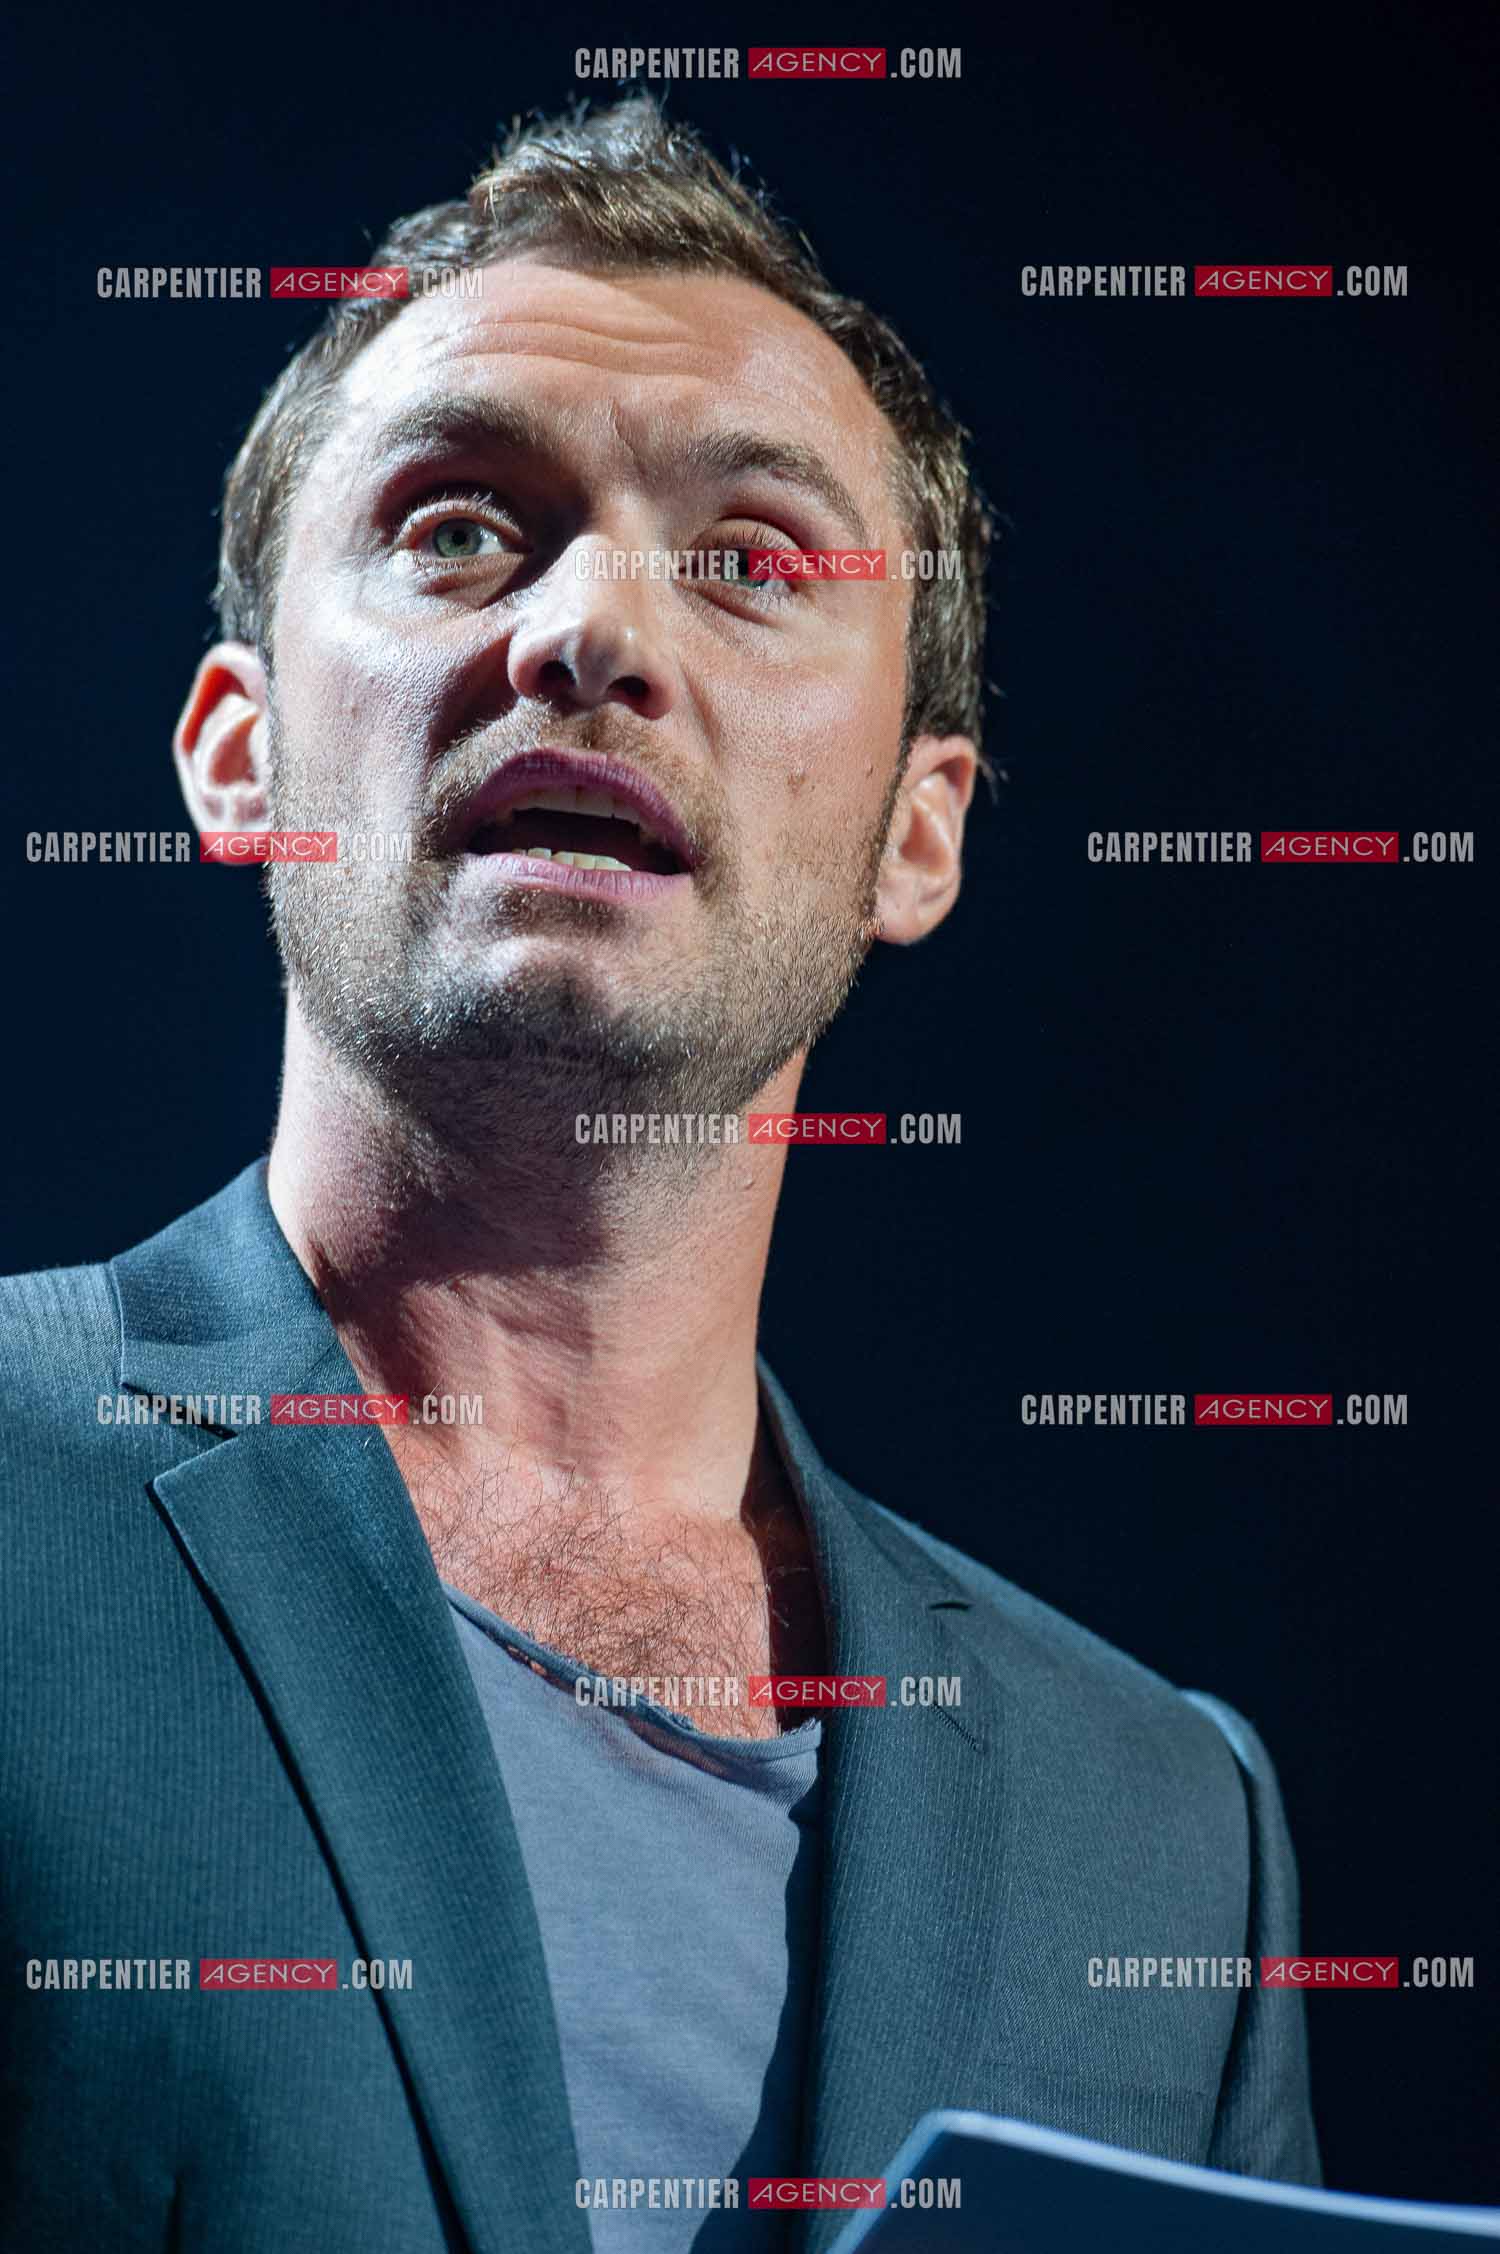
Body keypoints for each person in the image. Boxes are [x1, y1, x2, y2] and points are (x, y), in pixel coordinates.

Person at [0, 97, 1318, 2254]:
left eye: (752, 562)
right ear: (239, 751)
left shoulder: (1167, 1831)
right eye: (458, 529)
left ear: (923, 828)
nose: (594, 630)